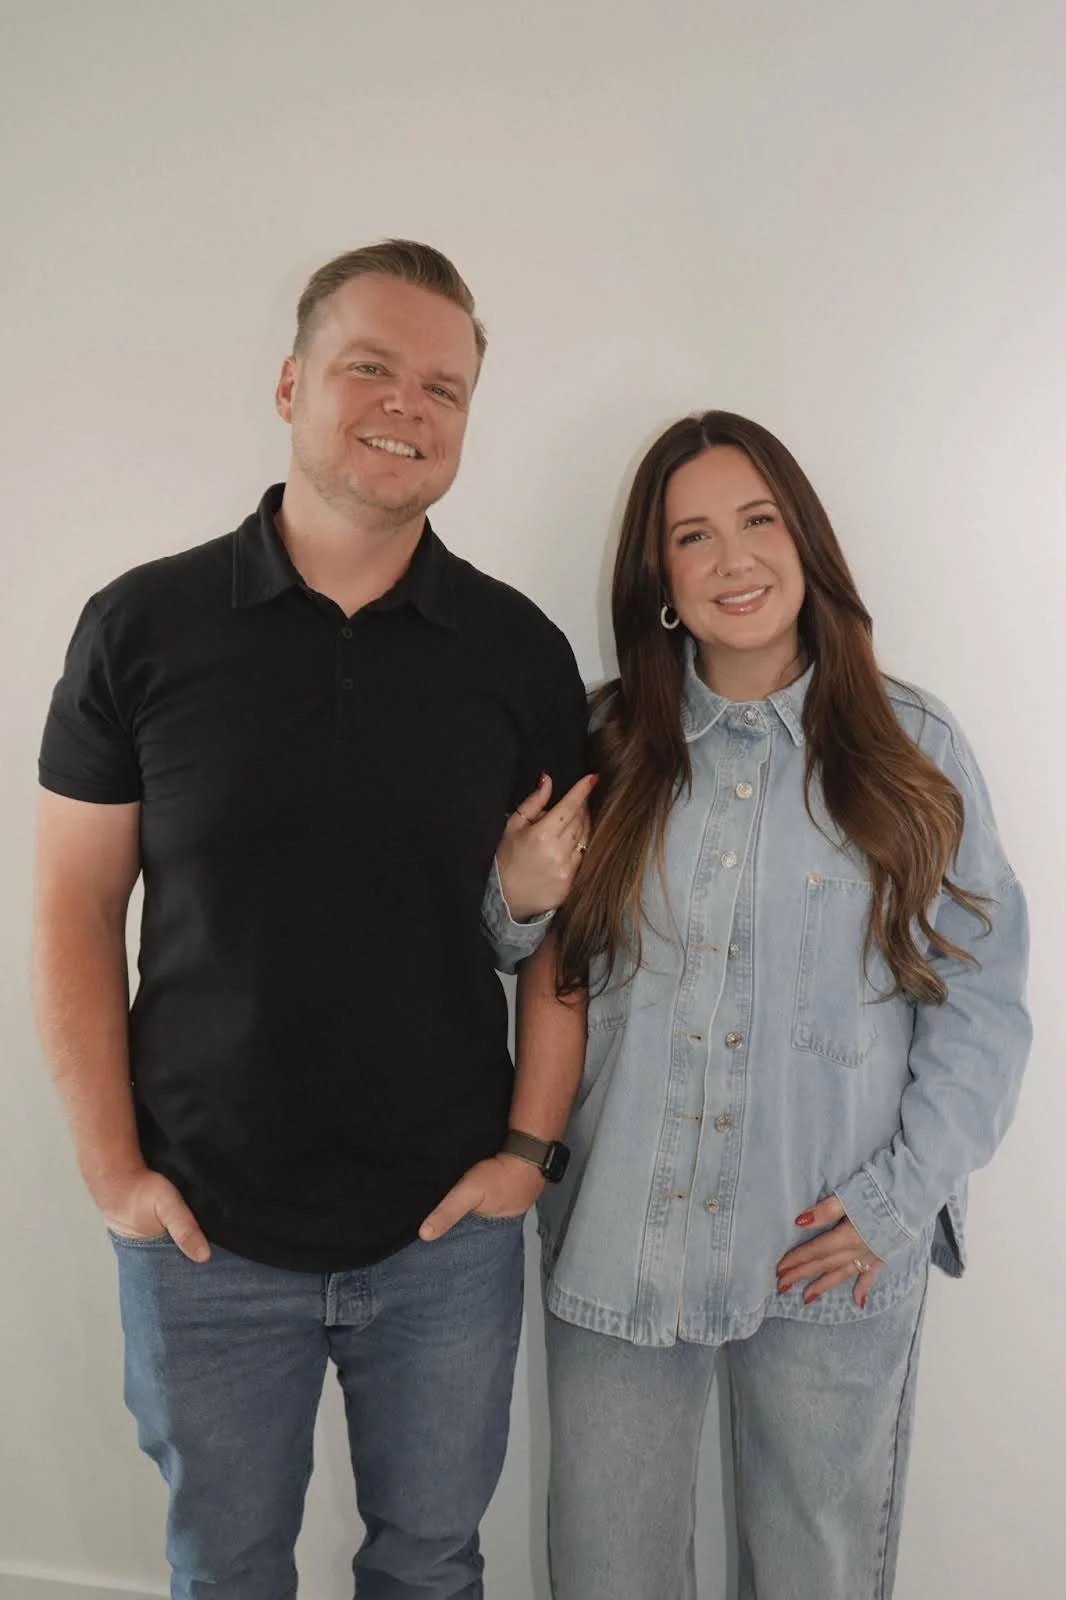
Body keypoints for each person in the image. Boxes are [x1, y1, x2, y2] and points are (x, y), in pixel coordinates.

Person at [33, 239, 594, 1600]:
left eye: (443, 387)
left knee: (430, 1564)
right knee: (223, 1573)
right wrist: (115, 1175)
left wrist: (528, 1151)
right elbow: (72, 904)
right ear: (292, 383)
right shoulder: (141, 627)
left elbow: (567, 932)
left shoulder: (518, 653)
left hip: (442, 1238)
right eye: (369, 367)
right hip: (206, 1232)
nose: (407, 405)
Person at [524, 411, 1031, 1600]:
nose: (732, 560)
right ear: (660, 581)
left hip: (829, 1248)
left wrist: (901, 1201)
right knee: (605, 1572)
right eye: (692, 537)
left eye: (757, 521)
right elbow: (536, 951)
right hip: (621, 1231)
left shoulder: (914, 747)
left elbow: (983, 1005)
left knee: (817, 1568)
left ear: (804, 539)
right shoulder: (606, 742)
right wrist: (507, 897)